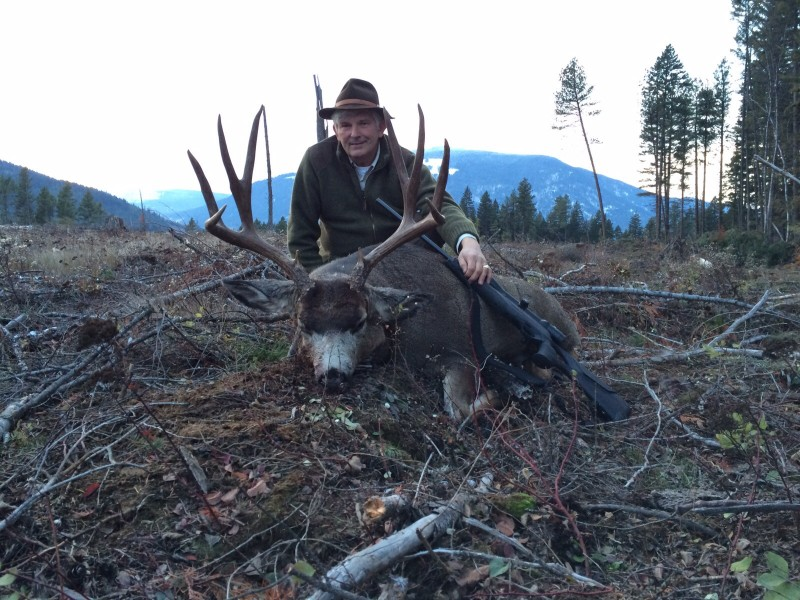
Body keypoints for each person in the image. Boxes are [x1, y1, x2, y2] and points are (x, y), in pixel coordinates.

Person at [288, 78, 492, 284]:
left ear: (381, 127)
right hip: (340, 272)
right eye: (345, 125)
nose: (354, 133)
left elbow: (439, 205)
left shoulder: (404, 162)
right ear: (335, 130)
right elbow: (300, 235)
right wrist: (315, 281)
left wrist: (467, 241)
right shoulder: (317, 161)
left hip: (398, 269)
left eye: (363, 123)